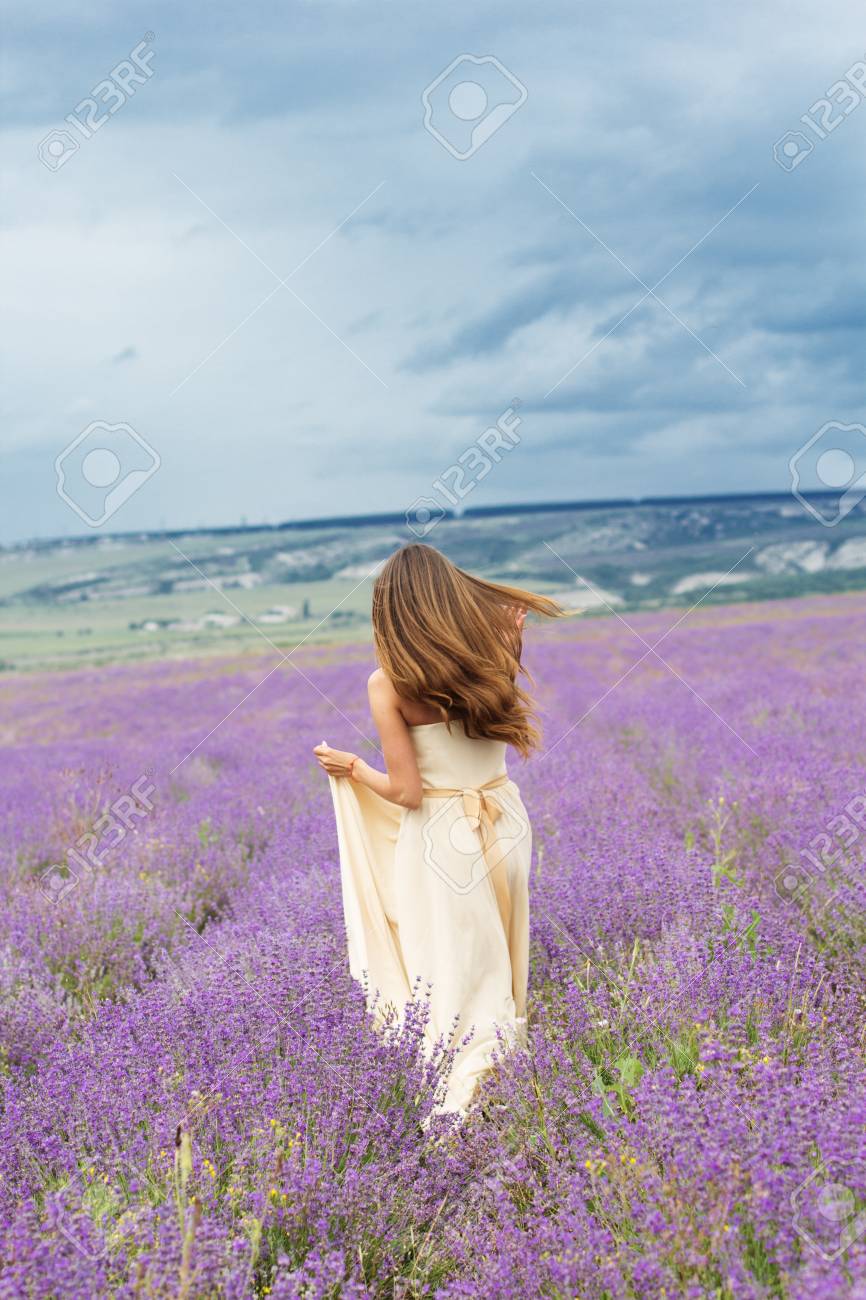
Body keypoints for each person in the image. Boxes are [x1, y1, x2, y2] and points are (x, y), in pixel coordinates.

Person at [314, 542, 560, 1114]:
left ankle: (462, 1108)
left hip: (443, 838)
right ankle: (512, 1083)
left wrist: (351, 767)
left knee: (452, 975)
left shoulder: (388, 684)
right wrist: (510, 641)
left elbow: (407, 792)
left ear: (390, 612)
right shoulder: (488, 661)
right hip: (505, 824)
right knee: (501, 957)